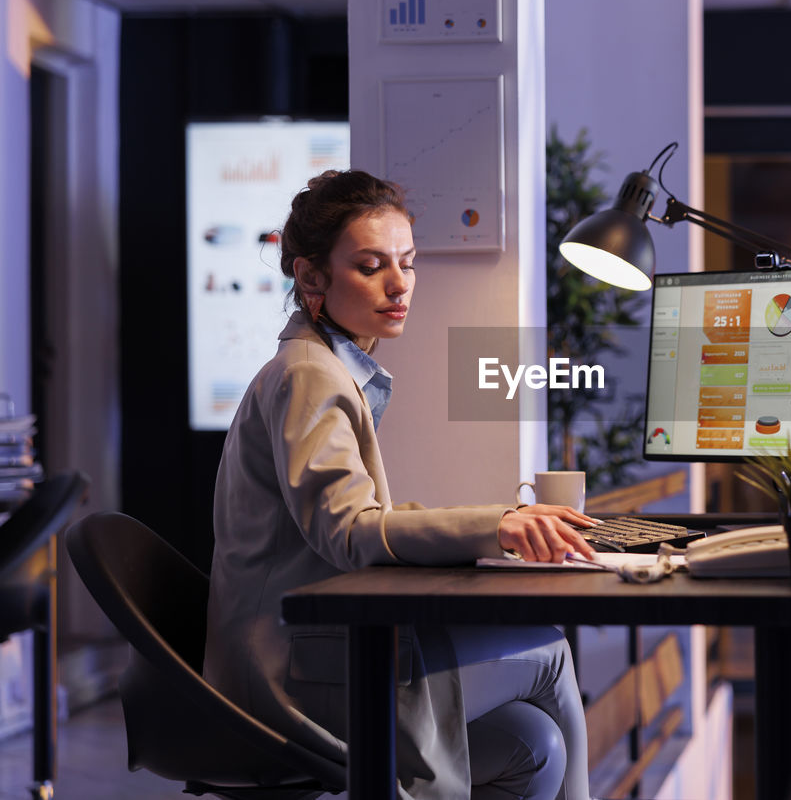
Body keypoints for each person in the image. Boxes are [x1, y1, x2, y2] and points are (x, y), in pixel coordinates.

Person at [203, 170, 597, 800]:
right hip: (292, 675)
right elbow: (349, 531)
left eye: (407, 264)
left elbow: (359, 514)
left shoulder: (323, 367)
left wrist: (501, 520)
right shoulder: (310, 377)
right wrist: (496, 525)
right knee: (548, 651)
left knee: (532, 742)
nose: (399, 285)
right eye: (371, 266)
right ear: (311, 278)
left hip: (316, 653)